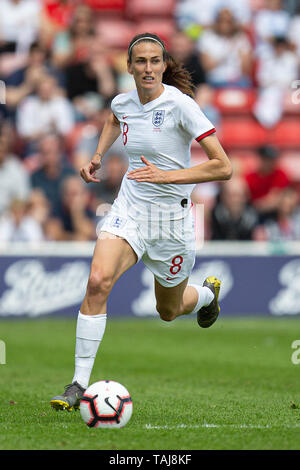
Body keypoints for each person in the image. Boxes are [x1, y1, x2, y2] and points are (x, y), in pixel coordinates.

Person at [50, 33, 232, 411]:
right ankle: (78, 384)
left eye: (154, 61)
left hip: (171, 221)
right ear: (129, 67)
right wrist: (97, 155)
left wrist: (168, 176)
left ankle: (209, 295)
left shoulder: (181, 105)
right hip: (130, 209)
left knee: (168, 310)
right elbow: (115, 118)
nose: (147, 68)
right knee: (98, 280)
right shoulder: (122, 101)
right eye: (140, 62)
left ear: (164, 65)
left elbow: (223, 166)